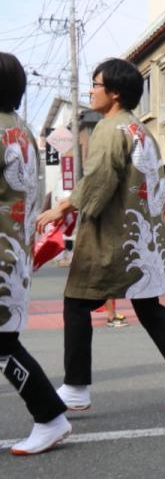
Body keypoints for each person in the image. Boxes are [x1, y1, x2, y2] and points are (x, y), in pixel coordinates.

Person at [36, 57, 165, 412]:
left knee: (76, 300)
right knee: (150, 309)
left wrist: (62, 208)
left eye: (96, 85)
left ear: (113, 93)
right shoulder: (140, 130)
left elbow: (98, 180)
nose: (91, 91)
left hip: (115, 240)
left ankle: (76, 386)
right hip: (146, 238)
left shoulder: (109, 129)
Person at [0, 51, 71, 455]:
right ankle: (50, 416)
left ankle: (50, 416)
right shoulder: (24, 132)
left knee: (4, 347)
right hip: (14, 256)